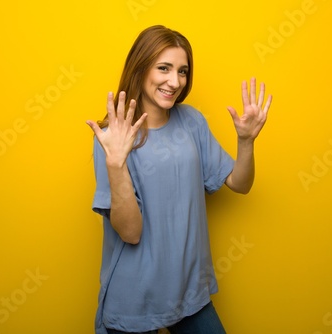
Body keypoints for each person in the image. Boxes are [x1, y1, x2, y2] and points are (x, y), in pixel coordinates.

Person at [86, 25, 272, 334]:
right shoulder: (111, 137)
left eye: (182, 71)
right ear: (140, 67)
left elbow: (240, 184)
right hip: (135, 298)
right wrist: (116, 164)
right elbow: (130, 233)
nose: (175, 82)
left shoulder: (192, 121)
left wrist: (246, 142)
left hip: (188, 292)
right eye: (164, 68)